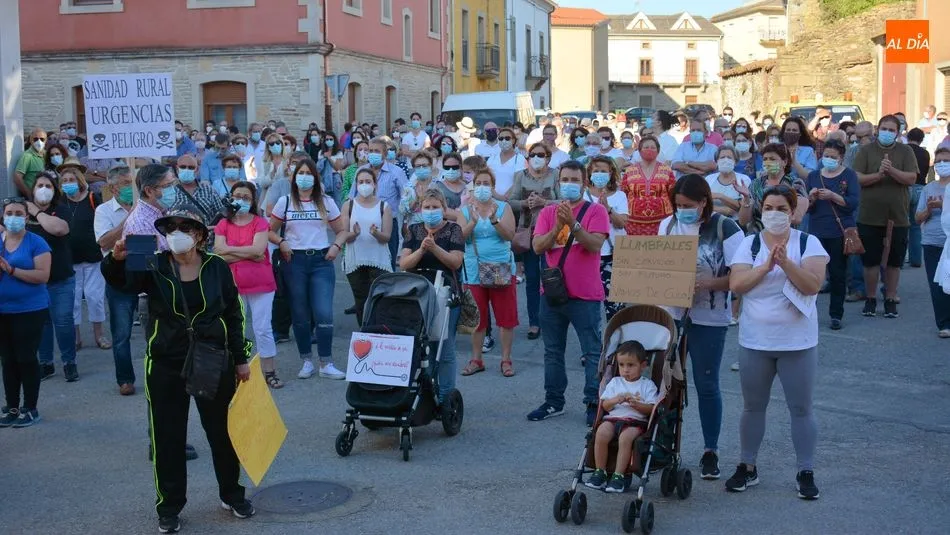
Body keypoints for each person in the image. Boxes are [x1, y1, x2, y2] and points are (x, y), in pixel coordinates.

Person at [102, 206, 255, 533]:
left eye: (184, 228)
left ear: (200, 235)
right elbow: (121, 283)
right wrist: (115, 258)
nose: (176, 234)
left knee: (222, 431)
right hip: (165, 362)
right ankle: (169, 506)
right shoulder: (153, 263)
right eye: (170, 228)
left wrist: (241, 358)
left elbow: (233, 313)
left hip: (212, 359)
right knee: (167, 438)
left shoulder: (216, 267)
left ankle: (232, 493)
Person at [726, 185, 828, 500]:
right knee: (753, 407)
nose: (774, 214)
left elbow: (812, 285)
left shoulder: (808, 243)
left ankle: (805, 470)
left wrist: (785, 264)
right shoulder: (750, 244)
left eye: (782, 208)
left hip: (797, 342)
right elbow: (737, 284)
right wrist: (766, 266)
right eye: (769, 207)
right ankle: (748, 465)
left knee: (801, 408)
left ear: (793, 211)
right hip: (756, 341)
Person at [658, 174, 745, 480]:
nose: (681, 209)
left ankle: (710, 450)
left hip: (709, 317)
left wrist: (709, 282)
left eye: (688, 205)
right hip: (672, 314)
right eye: (677, 204)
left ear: (704, 202)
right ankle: (664, 447)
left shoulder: (725, 227)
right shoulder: (667, 226)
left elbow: (741, 276)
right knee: (667, 383)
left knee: (706, 384)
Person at [527, 160, 609, 425]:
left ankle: (593, 402)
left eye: (575, 180)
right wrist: (556, 228)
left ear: (584, 183)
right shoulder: (548, 212)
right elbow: (538, 247)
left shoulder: (596, 211)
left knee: (592, 350)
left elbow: (595, 244)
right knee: (552, 351)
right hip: (552, 293)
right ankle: (554, 401)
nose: (569, 185)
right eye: (565, 180)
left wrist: (573, 224)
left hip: (585, 295)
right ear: (558, 182)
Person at [270, 158, 347, 380]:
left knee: (323, 312)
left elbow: (341, 230)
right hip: (294, 261)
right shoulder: (285, 202)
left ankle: (326, 362)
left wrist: (335, 246)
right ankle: (306, 361)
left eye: (308, 172)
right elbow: (269, 230)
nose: (304, 176)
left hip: (321, 260)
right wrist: (281, 241)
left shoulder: (326, 202)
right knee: (300, 314)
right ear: (294, 178)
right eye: (300, 172)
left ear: (315, 176)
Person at [214, 181, 282, 388]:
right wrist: (249, 253)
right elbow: (218, 253)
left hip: (261, 284)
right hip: (232, 284)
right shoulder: (223, 224)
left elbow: (259, 250)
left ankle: (269, 371)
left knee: (262, 328)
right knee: (236, 329)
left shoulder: (260, 222)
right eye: (237, 196)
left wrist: (231, 251)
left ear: (253, 201)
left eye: (246, 197)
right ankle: (238, 369)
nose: (240, 200)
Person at [399, 189, 464, 401]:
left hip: (445, 293)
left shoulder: (454, 230)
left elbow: (455, 262)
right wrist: (421, 250)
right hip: (418, 293)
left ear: (444, 209)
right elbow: (404, 264)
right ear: (420, 209)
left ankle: (445, 396)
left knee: (443, 347)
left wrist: (434, 248)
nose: (431, 211)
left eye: (435, 207)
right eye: (427, 207)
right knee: (421, 347)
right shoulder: (414, 230)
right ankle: (425, 394)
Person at [853, 115, 919, 318]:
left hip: (897, 216)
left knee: (894, 261)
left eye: (892, 130)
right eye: (884, 128)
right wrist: (878, 175)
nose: (887, 133)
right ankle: (871, 298)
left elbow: (911, 178)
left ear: (898, 133)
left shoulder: (906, 151)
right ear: (877, 129)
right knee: (870, 261)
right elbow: (857, 178)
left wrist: (891, 171)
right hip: (869, 215)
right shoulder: (865, 151)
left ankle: (890, 298)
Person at [458, 168, 518, 377]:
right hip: (474, 271)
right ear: (473, 187)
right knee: (477, 318)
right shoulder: (465, 210)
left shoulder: (503, 207)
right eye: (479, 183)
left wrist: (494, 220)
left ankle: (506, 360)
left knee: (505, 318)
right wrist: (473, 220)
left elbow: (510, 235)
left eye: (487, 183)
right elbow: (459, 238)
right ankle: (476, 359)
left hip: (500, 268)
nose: (483, 187)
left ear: (493, 187)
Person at [0, 196, 52, 427]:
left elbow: (42, 276)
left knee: (26, 357)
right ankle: (12, 406)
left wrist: (11, 270)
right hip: (3, 310)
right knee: (8, 359)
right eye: (9, 213)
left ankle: (30, 407)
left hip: (30, 309)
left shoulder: (36, 242)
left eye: (18, 214)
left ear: (27, 217)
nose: (13, 218)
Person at [584, 341, 658, 493]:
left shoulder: (647, 385)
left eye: (631, 365)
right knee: (601, 432)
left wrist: (637, 405)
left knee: (625, 438)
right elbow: (605, 406)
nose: (625, 370)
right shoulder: (615, 382)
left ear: (643, 365)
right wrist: (616, 400)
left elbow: (651, 409)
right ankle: (600, 471)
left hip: (635, 421)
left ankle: (618, 475)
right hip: (613, 418)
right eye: (622, 365)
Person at [27, 172, 77, 382]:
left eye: (48, 185)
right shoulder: (22, 214)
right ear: (33, 189)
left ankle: (69, 362)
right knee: (42, 324)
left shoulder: (61, 210)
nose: (44, 189)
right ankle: (45, 363)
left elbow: (58, 229)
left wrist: (36, 212)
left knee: (63, 321)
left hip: (61, 278)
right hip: (35, 281)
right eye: (40, 185)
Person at [805, 139, 860, 330]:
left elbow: (853, 203)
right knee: (812, 274)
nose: (828, 159)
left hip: (839, 231)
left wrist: (833, 196)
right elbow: (807, 208)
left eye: (833, 157)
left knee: (838, 273)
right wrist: (811, 198)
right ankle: (807, 312)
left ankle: (836, 314)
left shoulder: (849, 175)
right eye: (826, 156)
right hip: (817, 231)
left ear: (841, 158)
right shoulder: (813, 176)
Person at [93, 164, 138, 395]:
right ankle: (125, 379)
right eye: (125, 183)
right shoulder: (103, 211)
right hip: (119, 277)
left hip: (147, 273)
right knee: (121, 334)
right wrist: (128, 220)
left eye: (133, 182)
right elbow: (104, 243)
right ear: (113, 187)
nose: (131, 187)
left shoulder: (147, 207)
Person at [508, 143, 560, 339]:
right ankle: (534, 321)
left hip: (552, 235)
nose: (537, 158)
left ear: (548, 158)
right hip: (529, 235)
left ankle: (552, 319)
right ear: (528, 158)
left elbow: (564, 200)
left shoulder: (555, 175)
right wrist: (525, 203)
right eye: (533, 155)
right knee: (531, 279)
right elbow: (510, 202)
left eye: (541, 155)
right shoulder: (520, 176)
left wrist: (544, 203)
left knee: (552, 277)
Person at [57, 159, 111, 350]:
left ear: (79, 180)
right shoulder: (59, 202)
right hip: (69, 258)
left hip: (93, 255)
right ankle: (76, 337)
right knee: (72, 300)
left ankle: (99, 335)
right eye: (64, 181)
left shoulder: (92, 198)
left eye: (71, 179)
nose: (68, 183)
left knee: (94, 297)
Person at [340, 168, 393, 327]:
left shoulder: (384, 206)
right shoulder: (348, 205)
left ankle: (381, 335)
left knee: (380, 300)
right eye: (361, 182)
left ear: (375, 184)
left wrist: (376, 233)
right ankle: (364, 334)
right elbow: (344, 236)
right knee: (361, 300)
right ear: (356, 184)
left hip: (378, 259)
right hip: (355, 260)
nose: (364, 185)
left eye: (368, 182)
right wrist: (354, 234)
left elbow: (387, 237)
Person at [350, 138, 408, 270]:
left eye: (376, 151)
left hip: (387, 224)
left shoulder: (396, 172)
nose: (372, 154)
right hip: (363, 223)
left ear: (385, 154)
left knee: (387, 266)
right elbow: (352, 197)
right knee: (364, 266)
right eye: (370, 151)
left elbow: (406, 198)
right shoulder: (361, 171)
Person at [584, 156, 629, 321]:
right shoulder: (582, 196)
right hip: (590, 255)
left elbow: (621, 223)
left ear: (611, 173)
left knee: (615, 305)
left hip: (614, 255)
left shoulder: (620, 196)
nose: (600, 174)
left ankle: (617, 340)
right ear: (590, 173)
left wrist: (607, 209)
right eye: (596, 171)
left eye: (604, 171)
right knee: (591, 304)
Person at [915, 147, 950, 338]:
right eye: (939, 161)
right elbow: (917, 218)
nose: (942, 164)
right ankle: (944, 324)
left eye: (946, 160)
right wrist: (928, 209)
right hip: (931, 242)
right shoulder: (928, 188)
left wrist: (944, 204)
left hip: (949, 242)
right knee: (936, 285)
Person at [737, 144, 809, 233]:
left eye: (772, 159)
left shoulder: (795, 183)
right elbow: (743, 221)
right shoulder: (756, 184)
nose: (768, 162)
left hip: (785, 238)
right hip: (758, 236)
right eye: (765, 159)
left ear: (784, 162)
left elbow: (797, 218)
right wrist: (747, 199)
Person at [620, 135, 676, 235]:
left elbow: (673, 193)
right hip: (634, 224)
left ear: (658, 151)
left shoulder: (666, 170)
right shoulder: (630, 171)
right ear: (639, 150)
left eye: (653, 147)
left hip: (662, 222)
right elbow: (624, 193)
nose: (649, 150)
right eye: (646, 147)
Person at [172, 154, 226, 230]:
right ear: (177, 169)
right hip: (178, 238)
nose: (187, 170)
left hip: (207, 238)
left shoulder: (209, 191)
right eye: (183, 167)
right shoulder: (170, 192)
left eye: (191, 168)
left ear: (197, 170)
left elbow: (222, 215)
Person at [706, 146, 753, 223]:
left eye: (729, 157)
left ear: (736, 162)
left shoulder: (743, 180)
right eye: (722, 157)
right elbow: (704, 204)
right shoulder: (709, 179)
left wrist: (720, 196)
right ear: (716, 161)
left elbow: (743, 207)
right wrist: (726, 210)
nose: (725, 160)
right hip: (712, 221)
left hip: (736, 223)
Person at [906, 128, 931, 268]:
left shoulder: (903, 150)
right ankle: (916, 259)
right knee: (916, 226)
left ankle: (899, 259)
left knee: (902, 224)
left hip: (906, 187)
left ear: (908, 137)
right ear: (921, 139)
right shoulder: (925, 153)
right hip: (920, 187)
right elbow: (926, 171)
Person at [486, 127, 525, 200]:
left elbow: (518, 182)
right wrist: (495, 195)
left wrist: (504, 198)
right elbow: (486, 178)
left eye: (507, 138)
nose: (504, 141)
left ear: (513, 140)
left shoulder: (519, 159)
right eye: (501, 139)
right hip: (492, 200)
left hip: (511, 201)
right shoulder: (492, 158)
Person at [400, 152, 438, 228]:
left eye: (424, 165)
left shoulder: (438, 185)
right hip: (414, 229)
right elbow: (403, 211)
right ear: (414, 168)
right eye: (418, 166)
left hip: (435, 228)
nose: (421, 168)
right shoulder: (408, 188)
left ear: (430, 166)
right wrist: (417, 199)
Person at [781, 117, 819, 181]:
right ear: (783, 132)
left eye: (794, 130)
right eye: (788, 130)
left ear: (800, 133)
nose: (791, 132)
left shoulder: (808, 151)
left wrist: (795, 162)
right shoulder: (777, 149)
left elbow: (810, 177)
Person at [14, 128, 48, 198]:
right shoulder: (27, 156)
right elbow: (17, 177)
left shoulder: (47, 155)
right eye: (35, 139)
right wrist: (29, 194)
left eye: (42, 139)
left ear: (46, 140)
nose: (39, 141)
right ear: (31, 140)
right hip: (34, 197)